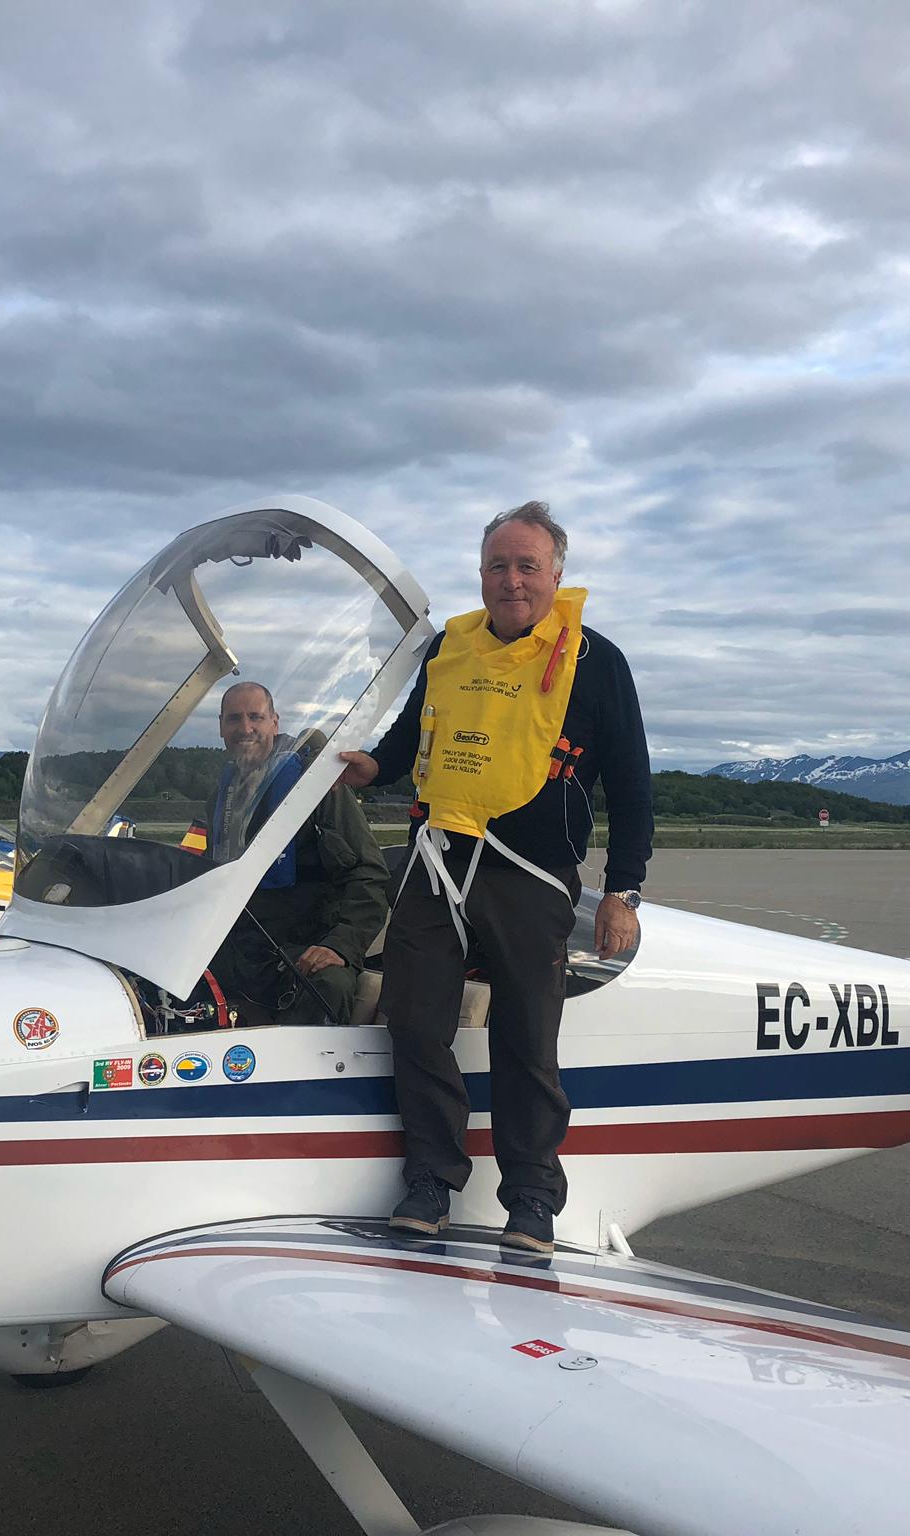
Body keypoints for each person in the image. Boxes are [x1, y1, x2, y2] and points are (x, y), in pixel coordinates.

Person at [339, 502, 653, 1252]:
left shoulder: (595, 661)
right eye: (498, 566)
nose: (512, 581)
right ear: (480, 573)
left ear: (556, 575)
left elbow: (633, 783)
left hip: (532, 876)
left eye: (527, 567)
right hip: (437, 862)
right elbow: (413, 730)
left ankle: (534, 1197)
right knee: (413, 1022)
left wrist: (623, 889)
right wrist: (372, 766)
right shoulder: (450, 646)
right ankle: (431, 1179)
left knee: (526, 1039)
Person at [207, 681, 390, 1026]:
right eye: (234, 719)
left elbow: (369, 875)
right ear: (221, 727)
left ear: (274, 723)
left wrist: (339, 946)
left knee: (328, 986)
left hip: (305, 944)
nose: (245, 728)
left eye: (255, 717)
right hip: (241, 944)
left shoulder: (315, 788)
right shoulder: (221, 794)